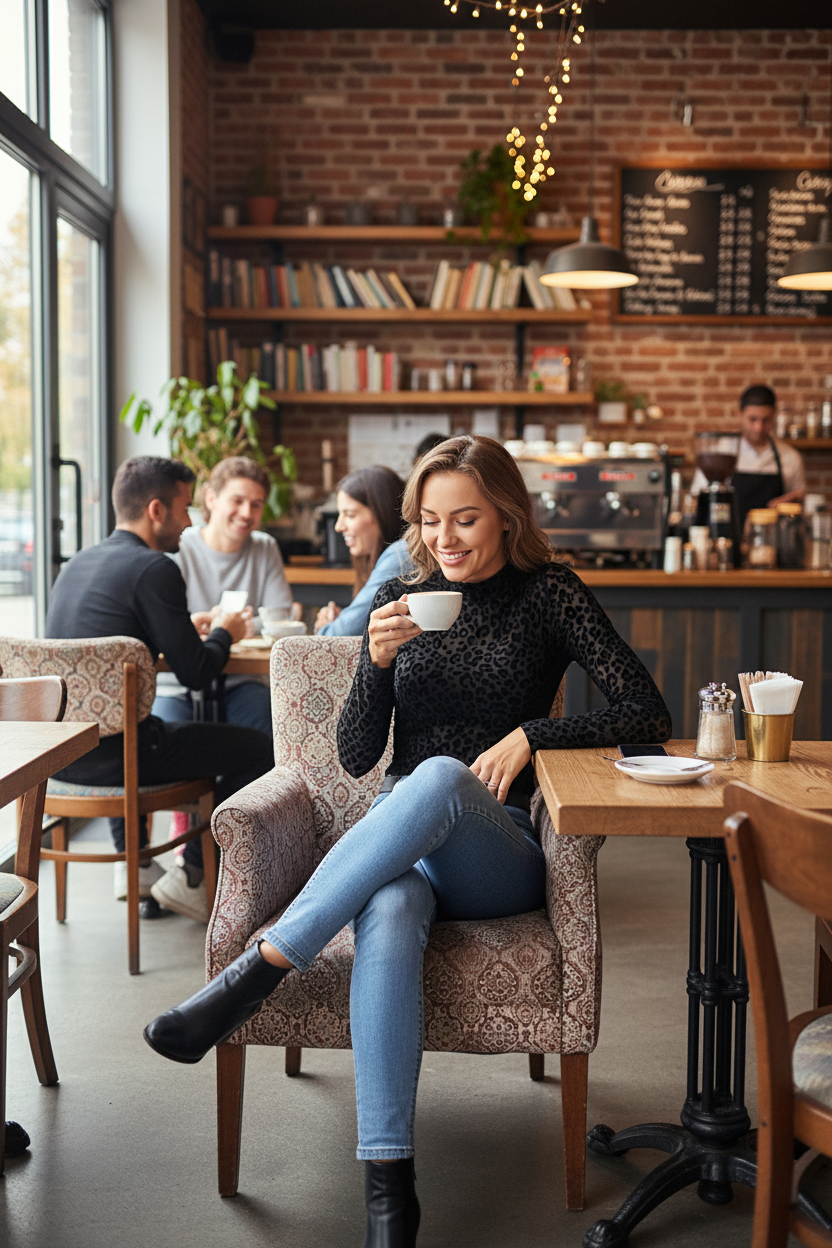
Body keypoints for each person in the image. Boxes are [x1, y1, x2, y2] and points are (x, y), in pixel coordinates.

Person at [144, 435, 671, 1246]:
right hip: (402, 842)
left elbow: (647, 711)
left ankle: (261, 967)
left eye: (465, 519)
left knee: (439, 778)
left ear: (506, 516)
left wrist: (532, 735)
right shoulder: (400, 595)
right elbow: (358, 756)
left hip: (494, 851)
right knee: (388, 907)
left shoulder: (549, 593)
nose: (445, 538)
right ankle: (390, 1194)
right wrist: (377, 663)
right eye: (430, 520)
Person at [45, 456, 274, 921]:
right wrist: (226, 631)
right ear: (156, 510)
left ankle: (140, 867)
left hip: (62, 756)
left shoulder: (77, 565)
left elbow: (117, 637)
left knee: (147, 726)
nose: (189, 522)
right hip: (126, 757)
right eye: (185, 508)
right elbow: (197, 673)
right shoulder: (155, 568)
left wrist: (185, 626)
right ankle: (193, 876)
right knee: (261, 750)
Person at [153, 456, 293, 737]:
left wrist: (237, 628)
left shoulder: (264, 547)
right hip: (177, 684)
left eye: (256, 504)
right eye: (237, 501)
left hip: (241, 682)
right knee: (164, 737)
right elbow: (164, 625)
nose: (246, 513)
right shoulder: (178, 546)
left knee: (270, 734)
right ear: (211, 499)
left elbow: (280, 618)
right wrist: (220, 628)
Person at [313, 465, 412, 637]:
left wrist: (328, 627)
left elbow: (337, 636)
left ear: (382, 513)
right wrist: (340, 620)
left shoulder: (400, 555)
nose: (338, 526)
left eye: (350, 515)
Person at [691, 384, 806, 528]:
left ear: (774, 416)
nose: (758, 427)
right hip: (727, 536)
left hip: (772, 538)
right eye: (752, 419)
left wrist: (792, 501)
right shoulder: (721, 452)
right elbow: (698, 498)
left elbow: (798, 504)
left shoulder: (790, 457)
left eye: (765, 420)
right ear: (739, 414)